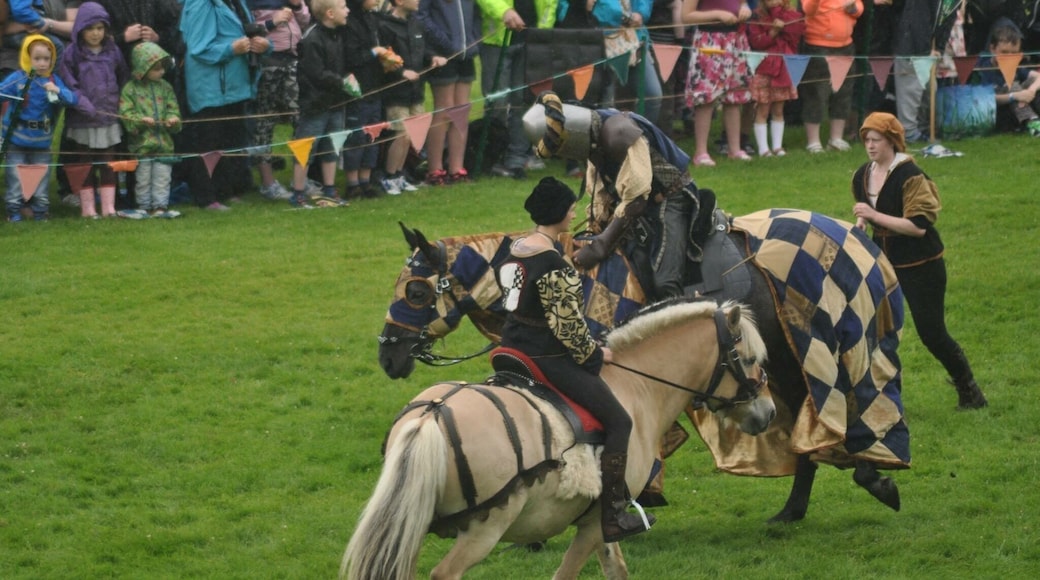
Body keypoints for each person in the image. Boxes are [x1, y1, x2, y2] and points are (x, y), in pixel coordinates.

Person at [496, 175, 655, 543]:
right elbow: (568, 330)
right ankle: (613, 514)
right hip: (545, 356)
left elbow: (510, 304)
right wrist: (595, 355)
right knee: (618, 421)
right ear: (558, 214)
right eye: (570, 207)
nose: (574, 212)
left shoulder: (515, 249)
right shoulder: (554, 264)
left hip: (510, 348)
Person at [851, 112, 988, 410]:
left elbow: (918, 226)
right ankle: (883, 399)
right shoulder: (862, 174)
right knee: (873, 331)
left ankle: (969, 390)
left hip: (921, 265)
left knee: (932, 333)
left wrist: (873, 215)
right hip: (882, 265)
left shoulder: (911, 176)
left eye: (877, 140)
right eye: (867, 140)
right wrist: (862, 224)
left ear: (892, 141)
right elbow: (868, 214)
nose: (871, 146)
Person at [524, 91, 703, 300]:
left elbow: (636, 200)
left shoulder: (618, 134)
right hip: (637, 202)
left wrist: (599, 247)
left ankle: (687, 322)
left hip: (671, 199)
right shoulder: (595, 136)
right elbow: (609, 196)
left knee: (664, 283)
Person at [179, 0, 271, 211]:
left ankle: (226, 190)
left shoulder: (236, 3)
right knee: (208, 142)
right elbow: (198, 48)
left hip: (235, 86)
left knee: (230, 141)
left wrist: (265, 45)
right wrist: (231, 49)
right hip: (210, 88)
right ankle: (205, 197)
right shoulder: (200, 4)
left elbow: (248, 31)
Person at [58, 1, 127, 219]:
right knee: (84, 163)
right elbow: (69, 83)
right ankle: (88, 208)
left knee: (108, 163)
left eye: (100, 28)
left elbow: (122, 77)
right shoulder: (71, 53)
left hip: (108, 119)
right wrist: (83, 104)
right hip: (83, 120)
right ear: (80, 29)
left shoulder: (113, 51)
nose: (96, 33)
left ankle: (108, 207)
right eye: (90, 29)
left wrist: (119, 103)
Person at [0, 33, 78, 221]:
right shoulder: (18, 78)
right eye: (37, 59)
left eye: (46, 59)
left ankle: (41, 212)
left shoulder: (52, 80)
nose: (42, 63)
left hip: (42, 142)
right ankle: (14, 212)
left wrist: (58, 91)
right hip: (16, 140)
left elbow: (72, 99)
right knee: (15, 179)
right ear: (28, 58)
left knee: (40, 179)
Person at [476, 0, 557, 180]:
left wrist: (541, 32)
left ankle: (516, 158)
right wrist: (504, 11)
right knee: (497, 102)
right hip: (497, 39)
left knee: (523, 100)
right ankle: (493, 157)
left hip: (530, 40)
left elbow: (550, 4)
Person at [289, 0, 350, 208]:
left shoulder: (338, 34)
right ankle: (298, 192)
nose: (348, 10)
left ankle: (330, 189)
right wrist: (341, 82)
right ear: (330, 14)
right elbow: (315, 73)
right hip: (315, 104)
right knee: (306, 148)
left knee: (332, 146)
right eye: (344, 7)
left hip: (336, 101)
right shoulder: (312, 38)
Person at [246, 0, 309, 201]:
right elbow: (245, 30)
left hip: (292, 60)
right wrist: (272, 23)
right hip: (268, 62)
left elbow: (306, 22)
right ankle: (268, 183)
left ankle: (300, 180)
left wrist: (298, 6)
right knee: (265, 121)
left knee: (300, 119)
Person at [681, 0, 754, 166]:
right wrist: (717, 15)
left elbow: (742, 4)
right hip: (709, 41)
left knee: (735, 95)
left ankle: (734, 149)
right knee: (706, 96)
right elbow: (686, 16)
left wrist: (744, 9)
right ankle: (701, 152)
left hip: (736, 39)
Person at [417, 0, 479, 185]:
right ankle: (435, 169)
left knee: (461, 111)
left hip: (466, 54)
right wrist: (446, 42)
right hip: (441, 54)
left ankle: (456, 168)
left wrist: (473, 41)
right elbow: (422, 16)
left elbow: (476, 15)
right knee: (444, 111)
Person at [118, 41, 182, 218]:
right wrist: (140, 120)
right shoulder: (130, 89)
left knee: (162, 177)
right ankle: (144, 206)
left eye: (163, 68)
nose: (161, 72)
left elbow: (173, 108)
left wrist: (173, 119)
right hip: (142, 145)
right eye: (156, 68)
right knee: (143, 178)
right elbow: (126, 113)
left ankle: (160, 206)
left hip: (164, 145)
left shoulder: (166, 87)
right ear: (142, 68)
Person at [342, 0, 398, 198]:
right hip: (358, 88)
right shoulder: (350, 23)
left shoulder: (373, 18)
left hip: (376, 85)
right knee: (356, 136)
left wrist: (386, 59)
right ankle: (352, 183)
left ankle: (365, 180)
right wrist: (375, 52)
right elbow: (351, 57)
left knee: (372, 134)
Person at [378, 0, 432, 195]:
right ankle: (389, 175)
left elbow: (422, 50)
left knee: (411, 136)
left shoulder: (415, 23)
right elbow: (383, 59)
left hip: (416, 90)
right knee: (401, 134)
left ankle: (400, 175)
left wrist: (432, 57)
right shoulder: (385, 26)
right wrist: (401, 73)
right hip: (396, 92)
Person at [800, 0, 862, 153]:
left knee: (843, 93)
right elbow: (808, 9)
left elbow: (859, 8)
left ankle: (836, 138)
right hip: (818, 45)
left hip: (845, 46)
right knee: (816, 93)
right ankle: (813, 141)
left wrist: (853, 8)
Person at [745, 0, 804, 157]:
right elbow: (757, 42)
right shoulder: (757, 16)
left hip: (784, 69)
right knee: (763, 109)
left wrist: (781, 18)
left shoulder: (792, 16)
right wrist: (773, 31)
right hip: (764, 68)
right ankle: (764, 149)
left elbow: (795, 36)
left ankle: (777, 147)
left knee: (778, 109)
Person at [592, 0, 664, 125]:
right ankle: (603, 141)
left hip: (635, 39)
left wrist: (641, 13)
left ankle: (642, 138)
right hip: (600, 40)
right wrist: (621, 17)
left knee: (653, 95)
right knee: (605, 104)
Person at [974, 17, 1040, 136]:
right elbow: (984, 99)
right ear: (992, 48)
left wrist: (1031, 90)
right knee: (1011, 86)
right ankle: (1032, 123)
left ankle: (1033, 121)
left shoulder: (1015, 67)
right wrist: (1014, 96)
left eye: (1014, 53)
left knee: (1033, 85)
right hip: (995, 113)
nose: (1009, 57)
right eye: (1004, 52)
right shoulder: (981, 68)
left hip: (1017, 108)